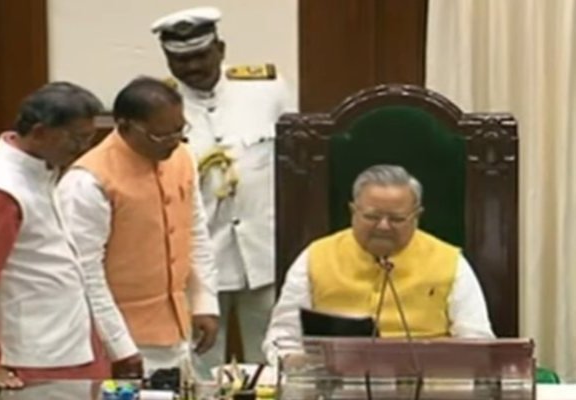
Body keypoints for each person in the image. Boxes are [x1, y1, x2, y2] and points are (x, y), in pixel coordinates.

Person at [0, 82, 142, 388]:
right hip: (35, 357)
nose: (83, 148)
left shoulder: (41, 169)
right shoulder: (1, 190)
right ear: (39, 132)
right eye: (77, 138)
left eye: (89, 138)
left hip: (69, 342)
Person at [151, 6, 295, 367]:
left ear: (220, 49)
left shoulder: (267, 90)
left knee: (271, 360)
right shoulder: (158, 105)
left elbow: (297, 162)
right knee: (201, 363)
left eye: (201, 55)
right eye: (180, 60)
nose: (193, 67)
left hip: (264, 254)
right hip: (198, 262)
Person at [57, 77, 219, 374]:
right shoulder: (87, 181)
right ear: (125, 126)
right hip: (119, 337)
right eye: (160, 135)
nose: (173, 142)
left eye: (179, 130)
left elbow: (196, 232)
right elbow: (85, 273)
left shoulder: (183, 156)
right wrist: (120, 347)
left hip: (178, 328)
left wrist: (204, 301)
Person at [262, 164, 495, 364]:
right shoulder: (315, 256)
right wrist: (296, 362)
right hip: (337, 384)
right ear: (353, 211)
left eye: (396, 219)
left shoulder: (450, 262)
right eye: (372, 217)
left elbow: (477, 341)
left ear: (417, 216)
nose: (383, 226)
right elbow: (283, 336)